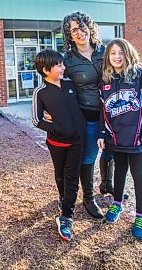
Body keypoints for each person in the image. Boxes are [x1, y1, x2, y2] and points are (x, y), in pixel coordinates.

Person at [97, 38, 142, 239]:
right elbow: (102, 111)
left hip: (137, 138)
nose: (117, 57)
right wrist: (101, 133)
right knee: (119, 170)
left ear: (128, 54)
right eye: (113, 53)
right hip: (115, 136)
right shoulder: (105, 81)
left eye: (121, 53)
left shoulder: (141, 76)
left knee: (138, 174)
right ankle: (117, 204)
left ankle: (140, 215)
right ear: (108, 57)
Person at [60, 11, 112, 219]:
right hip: (87, 115)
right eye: (74, 30)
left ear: (90, 28)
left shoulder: (104, 51)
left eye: (82, 27)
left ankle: (108, 186)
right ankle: (88, 198)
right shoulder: (69, 60)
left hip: (111, 112)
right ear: (69, 35)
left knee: (112, 152)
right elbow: (58, 84)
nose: (80, 33)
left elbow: (124, 66)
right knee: (89, 156)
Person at [32, 49, 86, 242]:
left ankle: (66, 217)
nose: (63, 67)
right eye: (59, 65)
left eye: (63, 64)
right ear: (46, 70)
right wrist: (55, 128)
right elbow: (36, 120)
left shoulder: (70, 83)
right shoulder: (41, 92)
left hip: (77, 141)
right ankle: (63, 198)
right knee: (60, 174)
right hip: (56, 143)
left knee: (72, 177)